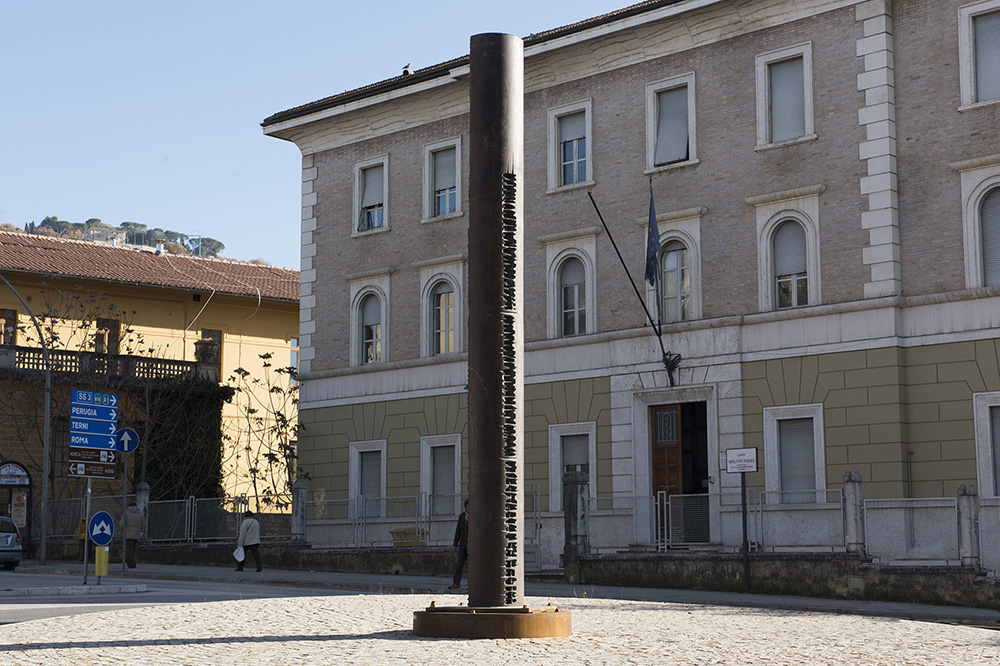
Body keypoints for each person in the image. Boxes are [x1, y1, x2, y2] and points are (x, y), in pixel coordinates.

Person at [449, 499, 468, 589]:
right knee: (459, 564)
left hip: (472, 546)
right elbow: (458, 531)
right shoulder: (462, 516)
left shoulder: (476, 516)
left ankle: (473, 585)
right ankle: (456, 583)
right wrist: (455, 544)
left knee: (473, 567)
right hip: (463, 545)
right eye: (468, 506)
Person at [124, 502, 144, 568]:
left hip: (128, 534)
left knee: (130, 549)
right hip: (136, 534)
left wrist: (124, 531)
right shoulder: (140, 514)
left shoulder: (126, 514)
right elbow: (143, 525)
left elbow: (122, 524)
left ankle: (131, 563)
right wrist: (139, 529)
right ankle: (131, 562)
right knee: (133, 549)